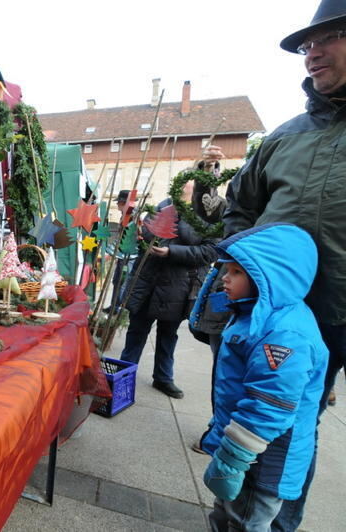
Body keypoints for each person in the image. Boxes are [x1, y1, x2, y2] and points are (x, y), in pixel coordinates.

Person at [214, 1, 346, 527]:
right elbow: (239, 207)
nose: (310, 53)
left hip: (338, 316)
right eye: (305, 45)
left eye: (328, 37)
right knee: (265, 420)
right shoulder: (284, 136)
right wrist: (243, 271)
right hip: (274, 316)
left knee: (293, 426)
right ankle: (243, 517)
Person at [202, 224, 327, 531]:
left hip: (264, 457)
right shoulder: (257, 313)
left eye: (237, 272)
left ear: (268, 277)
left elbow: (268, 405)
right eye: (225, 270)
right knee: (227, 513)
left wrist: (232, 459)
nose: (225, 278)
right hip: (250, 451)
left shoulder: (284, 334)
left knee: (245, 521)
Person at [118, 179, 217, 398]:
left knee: (168, 335)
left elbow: (210, 252)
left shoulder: (207, 218)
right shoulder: (162, 207)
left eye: (188, 185)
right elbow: (149, 237)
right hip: (148, 283)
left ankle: (163, 378)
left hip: (180, 288)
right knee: (136, 332)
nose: (182, 188)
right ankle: (122, 378)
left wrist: (173, 252)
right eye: (180, 184)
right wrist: (142, 235)